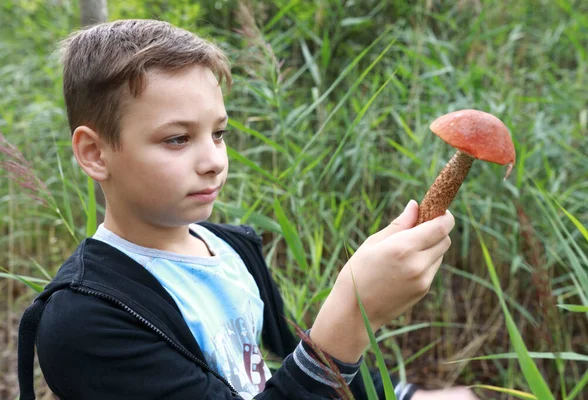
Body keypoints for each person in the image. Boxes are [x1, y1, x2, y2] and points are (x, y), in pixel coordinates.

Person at [17, 19, 479, 400]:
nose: (215, 160)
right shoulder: (85, 320)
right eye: (177, 138)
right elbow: (320, 357)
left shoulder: (231, 248)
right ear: (95, 154)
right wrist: (353, 314)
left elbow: (287, 357)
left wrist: (404, 395)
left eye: (218, 133)